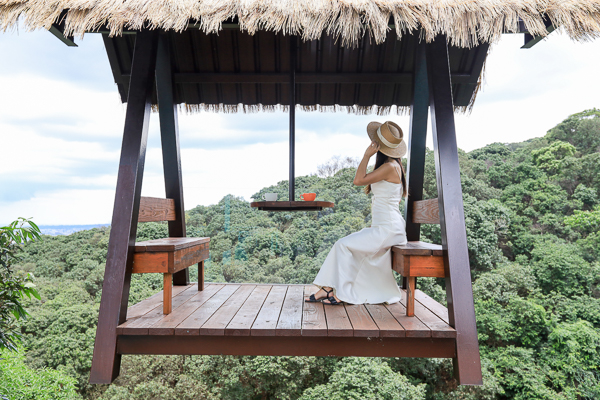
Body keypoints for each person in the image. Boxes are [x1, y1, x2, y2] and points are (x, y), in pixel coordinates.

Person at [306, 121, 408, 305]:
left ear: (379, 146)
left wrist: (366, 155)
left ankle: (340, 293)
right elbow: (392, 200)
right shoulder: (394, 166)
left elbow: (358, 180)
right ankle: (327, 289)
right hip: (386, 227)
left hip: (388, 229)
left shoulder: (389, 167)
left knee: (343, 245)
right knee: (345, 245)